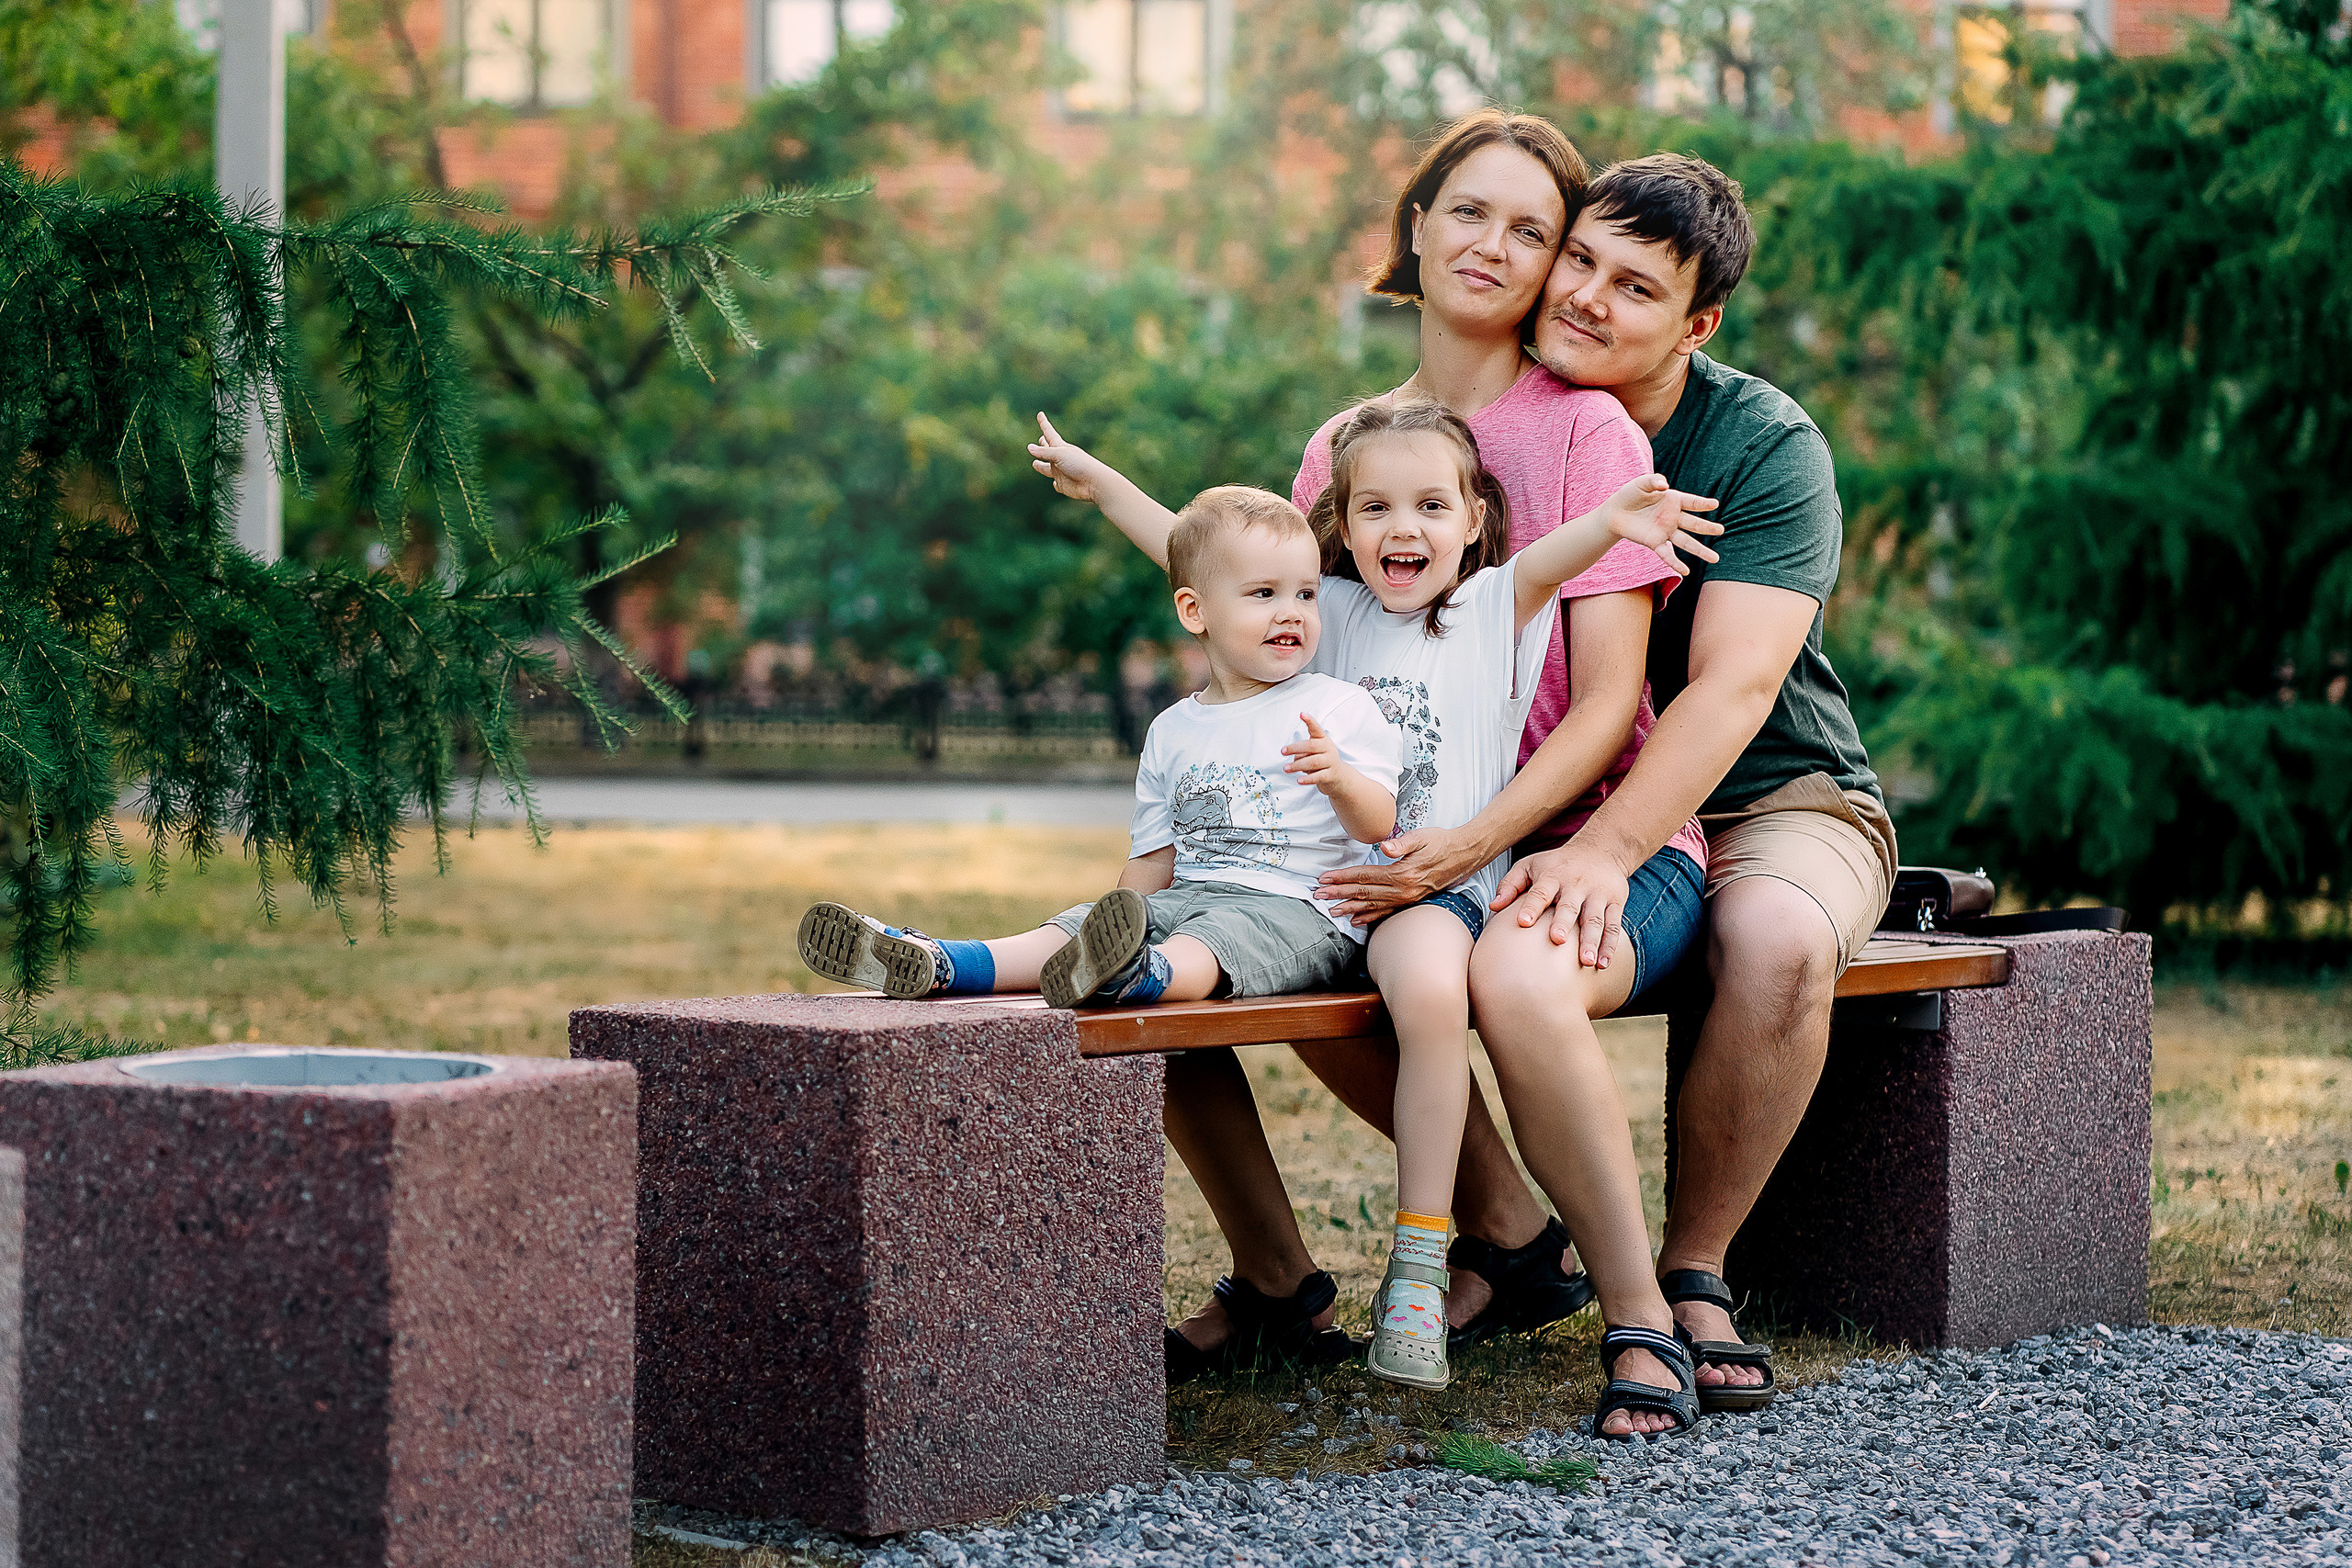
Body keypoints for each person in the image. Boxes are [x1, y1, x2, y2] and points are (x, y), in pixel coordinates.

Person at [1317, 152, 1896, 1415]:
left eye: (1632, 286)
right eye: (1573, 257)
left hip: (1774, 784)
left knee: (1778, 935)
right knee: (1348, 946)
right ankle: (1518, 1234)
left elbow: (1729, 694)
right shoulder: (1470, 424)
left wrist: (1604, 849)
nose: (1581, 294)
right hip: (1552, 801)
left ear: (1699, 323)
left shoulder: (1753, 440)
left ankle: (1690, 1273)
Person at [1027, 393, 1719, 1430]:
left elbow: (1553, 559)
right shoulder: (1330, 613)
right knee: (1158, 971)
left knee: (1431, 989)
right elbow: (1197, 552)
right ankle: (980, 965)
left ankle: (1420, 1250)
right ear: (1340, 528)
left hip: (1436, 888)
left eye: (1433, 506)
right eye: (1377, 509)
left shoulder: (1493, 606)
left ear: (1476, 519)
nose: (1406, 530)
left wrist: (1615, 520)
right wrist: (1099, 482)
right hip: (1321, 893)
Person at [797, 486, 1403, 1016]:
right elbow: (1150, 864)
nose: (1290, 613)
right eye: (1264, 593)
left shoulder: (1337, 706)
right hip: (1186, 897)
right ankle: (945, 961)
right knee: (1075, 924)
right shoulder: (1173, 729)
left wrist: (1340, 779)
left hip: (1299, 914)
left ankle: (1140, 975)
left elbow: (1379, 822)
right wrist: (1116, 919)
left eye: (1305, 595)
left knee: (1218, 937)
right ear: (1195, 611)